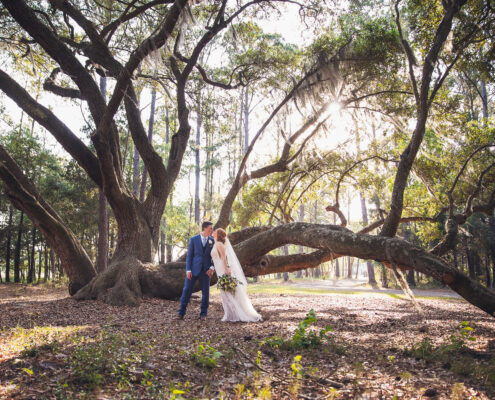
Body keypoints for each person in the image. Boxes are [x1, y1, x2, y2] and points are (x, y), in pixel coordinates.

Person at [211, 228, 262, 322]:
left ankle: (235, 314)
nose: (213, 232)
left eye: (215, 232)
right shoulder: (216, 243)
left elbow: (223, 258)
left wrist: (226, 269)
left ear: (218, 235)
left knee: (227, 291)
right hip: (219, 269)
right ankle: (230, 314)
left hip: (223, 269)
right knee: (224, 292)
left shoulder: (219, 244)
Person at [177, 221, 215, 320]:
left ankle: (203, 314)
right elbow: (189, 256)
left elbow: (215, 257)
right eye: (211, 228)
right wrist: (188, 270)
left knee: (205, 293)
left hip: (206, 271)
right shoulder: (193, 240)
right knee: (186, 291)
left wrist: (211, 267)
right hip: (193, 270)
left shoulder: (212, 240)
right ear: (205, 228)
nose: (212, 230)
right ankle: (181, 313)